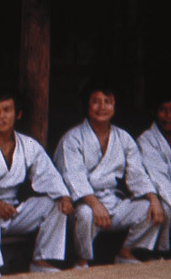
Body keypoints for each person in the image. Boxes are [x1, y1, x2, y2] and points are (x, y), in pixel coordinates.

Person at [0, 90, 73, 275]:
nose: (1, 116)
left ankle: (41, 260)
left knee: (55, 204)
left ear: (18, 114)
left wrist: (64, 196)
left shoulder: (28, 144)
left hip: (13, 211)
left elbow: (48, 174)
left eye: (6, 110)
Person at [53, 85, 163, 266]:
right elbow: (73, 177)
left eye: (108, 102)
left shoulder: (123, 138)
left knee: (150, 208)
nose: (102, 107)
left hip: (113, 202)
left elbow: (137, 173)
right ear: (87, 106)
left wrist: (153, 198)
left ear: (114, 106)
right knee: (85, 214)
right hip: (83, 203)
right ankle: (81, 261)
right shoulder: (72, 138)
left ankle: (126, 252)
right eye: (96, 101)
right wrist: (94, 204)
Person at [137, 94, 171, 255]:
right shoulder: (146, 140)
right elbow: (159, 178)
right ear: (155, 112)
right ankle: (163, 252)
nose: (169, 116)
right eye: (163, 110)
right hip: (159, 192)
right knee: (166, 209)